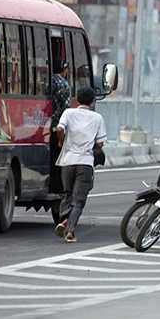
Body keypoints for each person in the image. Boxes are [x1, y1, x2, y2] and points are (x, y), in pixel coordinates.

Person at [54, 86, 107, 243]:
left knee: (67, 194)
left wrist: (60, 141)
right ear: (92, 101)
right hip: (85, 163)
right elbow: (100, 143)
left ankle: (64, 220)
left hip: (67, 162)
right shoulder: (97, 118)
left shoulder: (68, 112)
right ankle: (70, 231)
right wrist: (93, 149)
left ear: (76, 99)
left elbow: (59, 128)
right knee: (79, 200)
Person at [50, 61, 71, 190]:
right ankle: (57, 186)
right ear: (64, 69)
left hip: (44, 124)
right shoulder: (64, 84)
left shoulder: (48, 81)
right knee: (58, 158)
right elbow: (65, 109)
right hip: (57, 127)